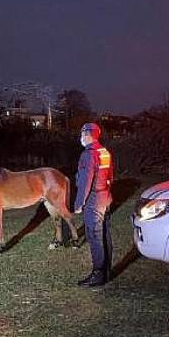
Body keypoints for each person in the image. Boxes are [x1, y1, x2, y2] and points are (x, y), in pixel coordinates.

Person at [74, 122, 114, 287]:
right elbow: (111, 176)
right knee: (104, 235)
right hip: (105, 197)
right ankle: (106, 272)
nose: (81, 137)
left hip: (93, 200)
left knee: (94, 236)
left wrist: (78, 203)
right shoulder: (104, 152)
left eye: (82, 134)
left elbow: (85, 181)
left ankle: (98, 274)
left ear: (87, 135)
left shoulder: (88, 154)